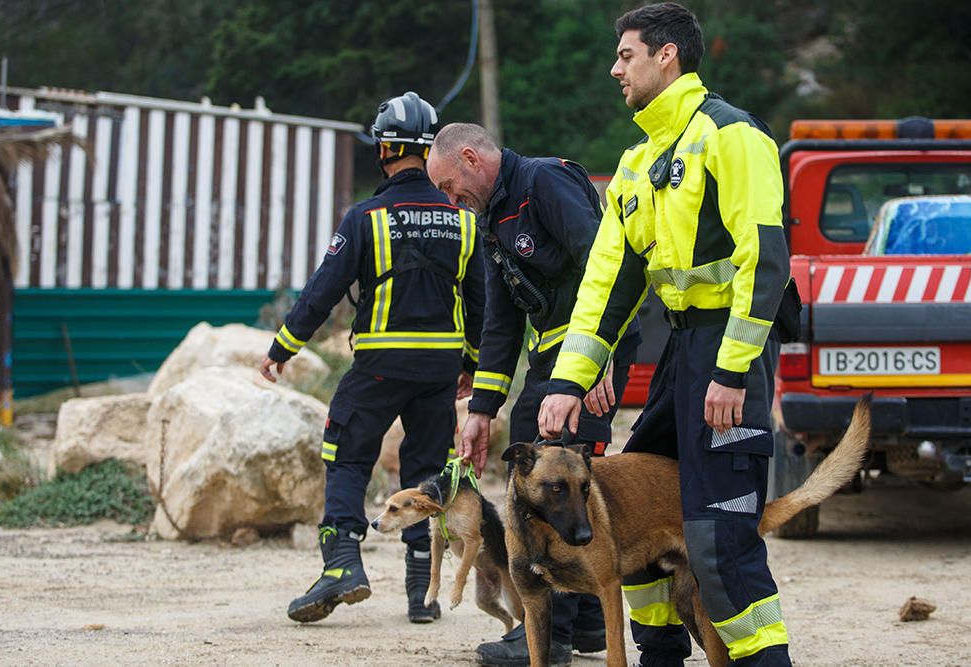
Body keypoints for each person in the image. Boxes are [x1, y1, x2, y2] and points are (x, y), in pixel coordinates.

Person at [538, 3, 793, 666]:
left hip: (727, 351)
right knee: (631, 504)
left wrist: (734, 370)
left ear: (666, 55)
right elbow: (606, 286)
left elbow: (764, 262)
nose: (614, 68)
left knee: (718, 541)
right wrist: (569, 379)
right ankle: (658, 655)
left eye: (626, 55)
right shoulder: (637, 162)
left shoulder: (731, 136)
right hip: (682, 350)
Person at [259, 92, 485, 626]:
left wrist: (281, 349)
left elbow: (324, 289)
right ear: (429, 151)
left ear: (385, 148)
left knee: (347, 456)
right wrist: (471, 364)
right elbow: (482, 303)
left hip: (379, 364)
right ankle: (419, 594)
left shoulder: (365, 217)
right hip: (439, 369)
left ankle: (342, 564)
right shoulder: (464, 221)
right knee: (426, 474)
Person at [426, 122, 642, 667]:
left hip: (588, 350)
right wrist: (480, 410)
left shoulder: (544, 183)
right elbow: (501, 322)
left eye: (452, 187)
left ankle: (549, 637)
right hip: (552, 357)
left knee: (553, 481)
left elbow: (604, 262)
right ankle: (589, 620)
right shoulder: (490, 218)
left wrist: (600, 355)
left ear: (472, 159)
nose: (452, 201)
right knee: (549, 466)